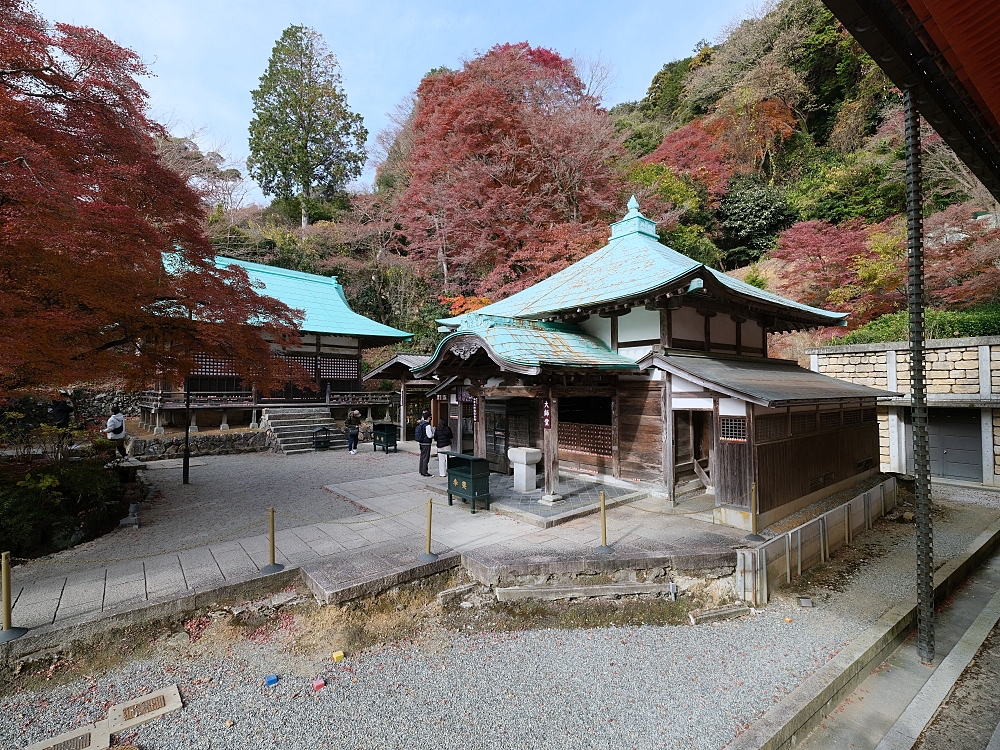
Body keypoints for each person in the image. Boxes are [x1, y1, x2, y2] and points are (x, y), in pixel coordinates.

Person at [416, 410, 433, 477]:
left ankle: (421, 470)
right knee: (426, 457)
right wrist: (433, 432)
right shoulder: (427, 425)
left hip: (421, 442)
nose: (431, 419)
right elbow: (429, 435)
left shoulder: (421, 423)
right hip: (426, 443)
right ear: (428, 417)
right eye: (430, 417)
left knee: (422, 457)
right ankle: (425, 472)